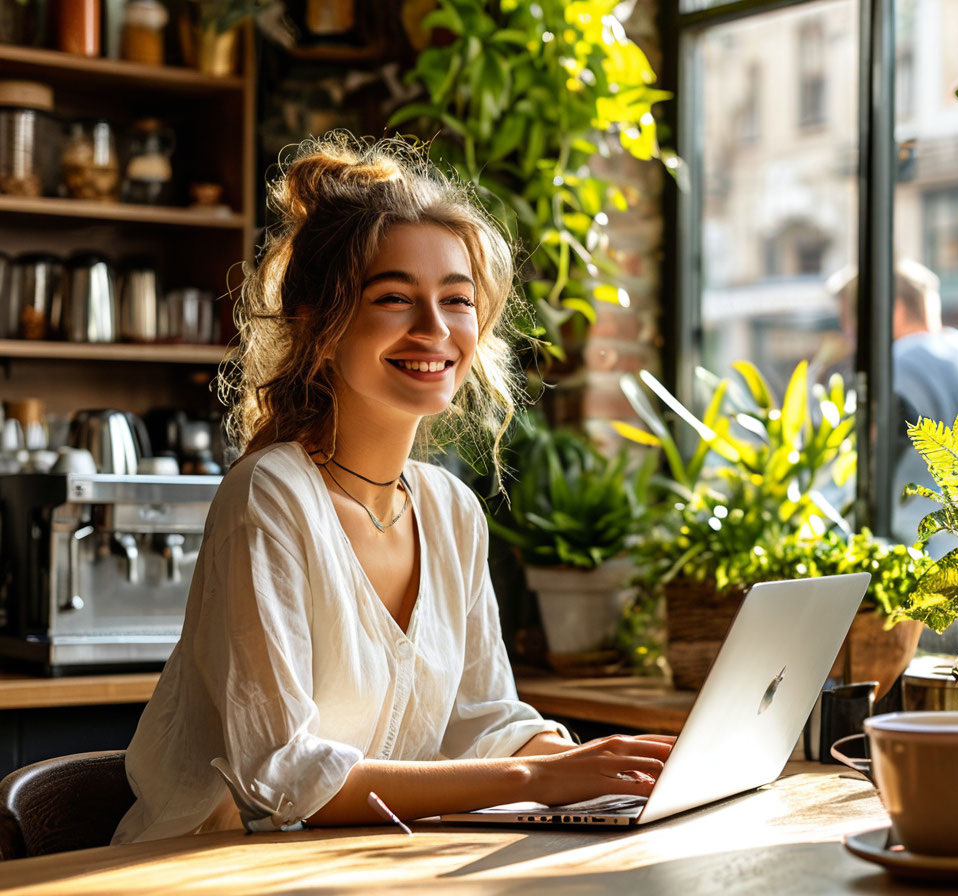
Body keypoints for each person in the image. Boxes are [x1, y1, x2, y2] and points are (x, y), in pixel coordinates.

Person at [112, 136, 672, 844]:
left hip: (357, 872)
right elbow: (283, 777)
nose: (435, 329)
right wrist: (538, 781)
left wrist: (601, 768)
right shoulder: (271, 496)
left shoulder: (449, 510)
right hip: (203, 876)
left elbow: (483, 720)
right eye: (394, 298)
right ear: (318, 323)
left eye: (457, 301)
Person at [829, 258, 958, 545]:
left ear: (891, 311)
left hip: (928, 566)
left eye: (851, 327)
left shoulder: (891, 370)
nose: (851, 342)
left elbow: (860, 478)